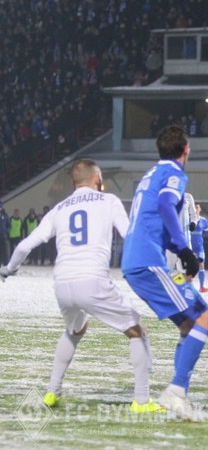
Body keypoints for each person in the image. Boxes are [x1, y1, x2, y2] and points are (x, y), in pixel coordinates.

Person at [0, 159, 160, 413]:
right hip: (92, 279)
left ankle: (53, 392)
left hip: (62, 283)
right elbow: (129, 234)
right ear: (97, 179)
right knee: (137, 330)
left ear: (73, 182)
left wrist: (9, 269)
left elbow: (24, 246)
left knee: (75, 330)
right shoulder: (109, 201)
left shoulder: (59, 208)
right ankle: (141, 401)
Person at [121, 125, 208, 420]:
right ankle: (176, 392)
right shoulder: (174, 173)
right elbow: (165, 204)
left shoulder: (150, 174)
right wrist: (184, 249)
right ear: (185, 150)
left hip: (140, 263)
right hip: (148, 263)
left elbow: (155, 216)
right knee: (207, 318)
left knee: (190, 324)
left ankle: (179, 394)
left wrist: (178, 250)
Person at [190, 203, 208, 293]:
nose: (195, 209)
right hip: (189, 246)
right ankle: (187, 286)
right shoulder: (188, 219)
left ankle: (202, 287)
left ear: (200, 209)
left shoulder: (203, 220)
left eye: (197, 207)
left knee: (201, 264)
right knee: (187, 267)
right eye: (194, 208)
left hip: (199, 247)